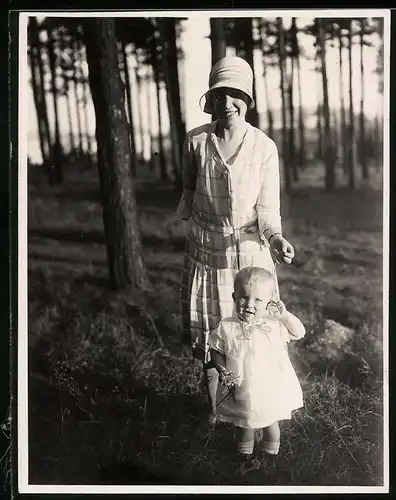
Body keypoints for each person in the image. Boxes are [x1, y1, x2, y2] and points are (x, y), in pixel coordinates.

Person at [177, 56, 295, 426]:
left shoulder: (263, 148)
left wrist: (276, 240)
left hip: (249, 254)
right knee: (214, 337)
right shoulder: (196, 141)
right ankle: (215, 411)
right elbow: (188, 188)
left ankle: (256, 412)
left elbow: (268, 209)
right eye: (220, 94)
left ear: (248, 98)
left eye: (236, 94)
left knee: (255, 338)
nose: (228, 103)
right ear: (210, 99)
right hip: (206, 252)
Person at [208, 266, 305, 458]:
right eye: (244, 297)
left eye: (258, 300)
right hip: (241, 384)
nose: (249, 304)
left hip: (271, 386)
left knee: (271, 421)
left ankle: (271, 456)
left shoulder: (274, 324)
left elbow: (299, 332)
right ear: (235, 297)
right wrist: (221, 369)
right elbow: (215, 349)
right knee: (244, 422)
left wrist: (284, 316)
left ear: (269, 303)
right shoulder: (227, 326)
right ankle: (243, 458)